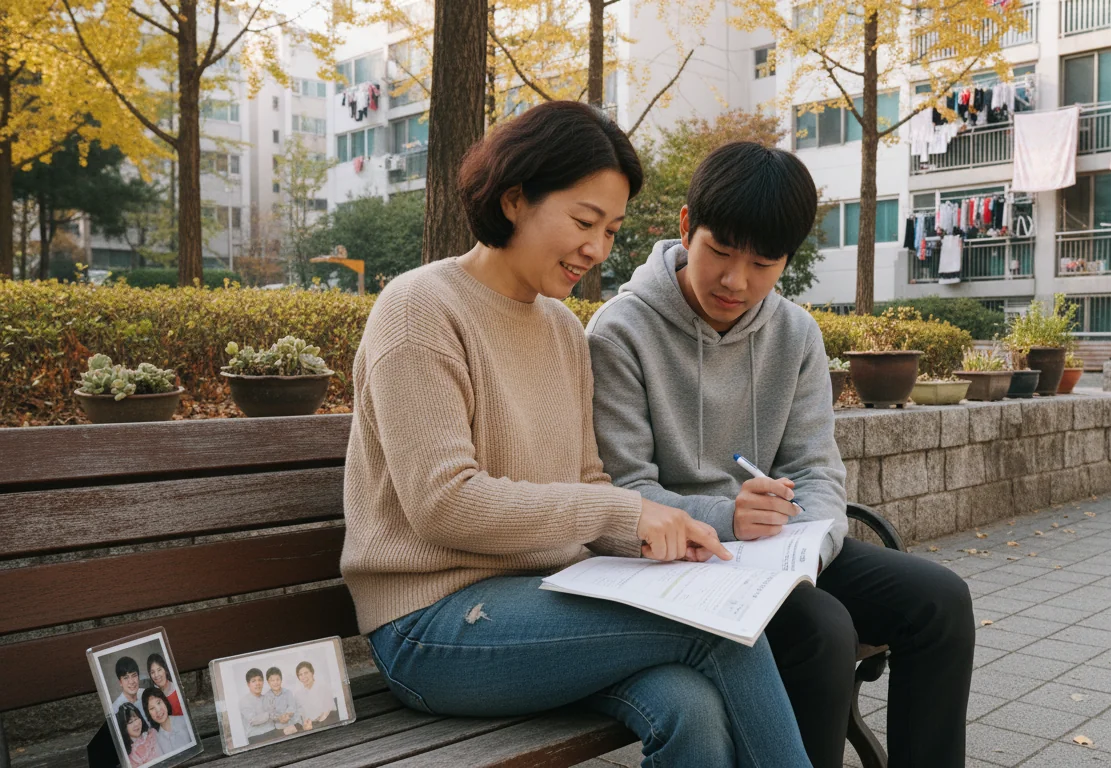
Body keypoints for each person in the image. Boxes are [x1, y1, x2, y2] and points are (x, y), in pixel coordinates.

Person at [340, 101, 811, 768]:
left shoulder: (563, 328)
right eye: (584, 221)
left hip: (551, 602)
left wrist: (662, 535)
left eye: (612, 230)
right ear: (514, 199)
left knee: (692, 709)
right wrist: (628, 510)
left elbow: (588, 481)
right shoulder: (421, 309)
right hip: (432, 626)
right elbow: (442, 504)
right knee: (721, 634)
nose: (597, 249)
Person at [587, 140, 976, 768]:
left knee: (939, 600)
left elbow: (817, 469)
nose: (736, 281)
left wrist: (807, 555)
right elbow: (625, 490)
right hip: (679, 558)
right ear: (688, 227)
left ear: (788, 260)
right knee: (823, 630)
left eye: (764, 262)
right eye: (719, 251)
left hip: (778, 548)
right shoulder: (620, 332)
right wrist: (727, 518)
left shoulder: (794, 332)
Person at [142, 686, 194, 756]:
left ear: (165, 702)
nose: (158, 710)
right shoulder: (156, 739)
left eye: (159, 703)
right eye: (152, 708)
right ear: (148, 713)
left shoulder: (185, 721)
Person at [238, 668, 277, 744]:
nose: (257, 683)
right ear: (248, 684)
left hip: (272, 732)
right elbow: (253, 720)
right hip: (256, 737)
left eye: (260, 680)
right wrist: (269, 714)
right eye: (253, 681)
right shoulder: (244, 701)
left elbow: (275, 715)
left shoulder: (267, 698)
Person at [116, 702, 161, 767]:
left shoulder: (152, 734)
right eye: (130, 722)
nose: (136, 724)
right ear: (123, 728)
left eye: (136, 719)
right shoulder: (128, 756)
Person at [292, 661, 335, 729]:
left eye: (306, 673)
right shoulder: (298, 695)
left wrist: (315, 725)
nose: (304, 677)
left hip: (325, 724)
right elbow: (299, 715)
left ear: (312, 672)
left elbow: (328, 711)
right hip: (307, 727)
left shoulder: (323, 688)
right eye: (300, 674)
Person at [263, 666, 302, 736]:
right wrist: (279, 718)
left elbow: (292, 707)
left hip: (293, 723)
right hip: (279, 728)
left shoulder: (288, 692)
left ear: (281, 680)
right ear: (268, 682)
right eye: (272, 680)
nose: (275, 682)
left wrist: (287, 715)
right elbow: (269, 713)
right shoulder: (267, 697)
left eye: (278, 679)